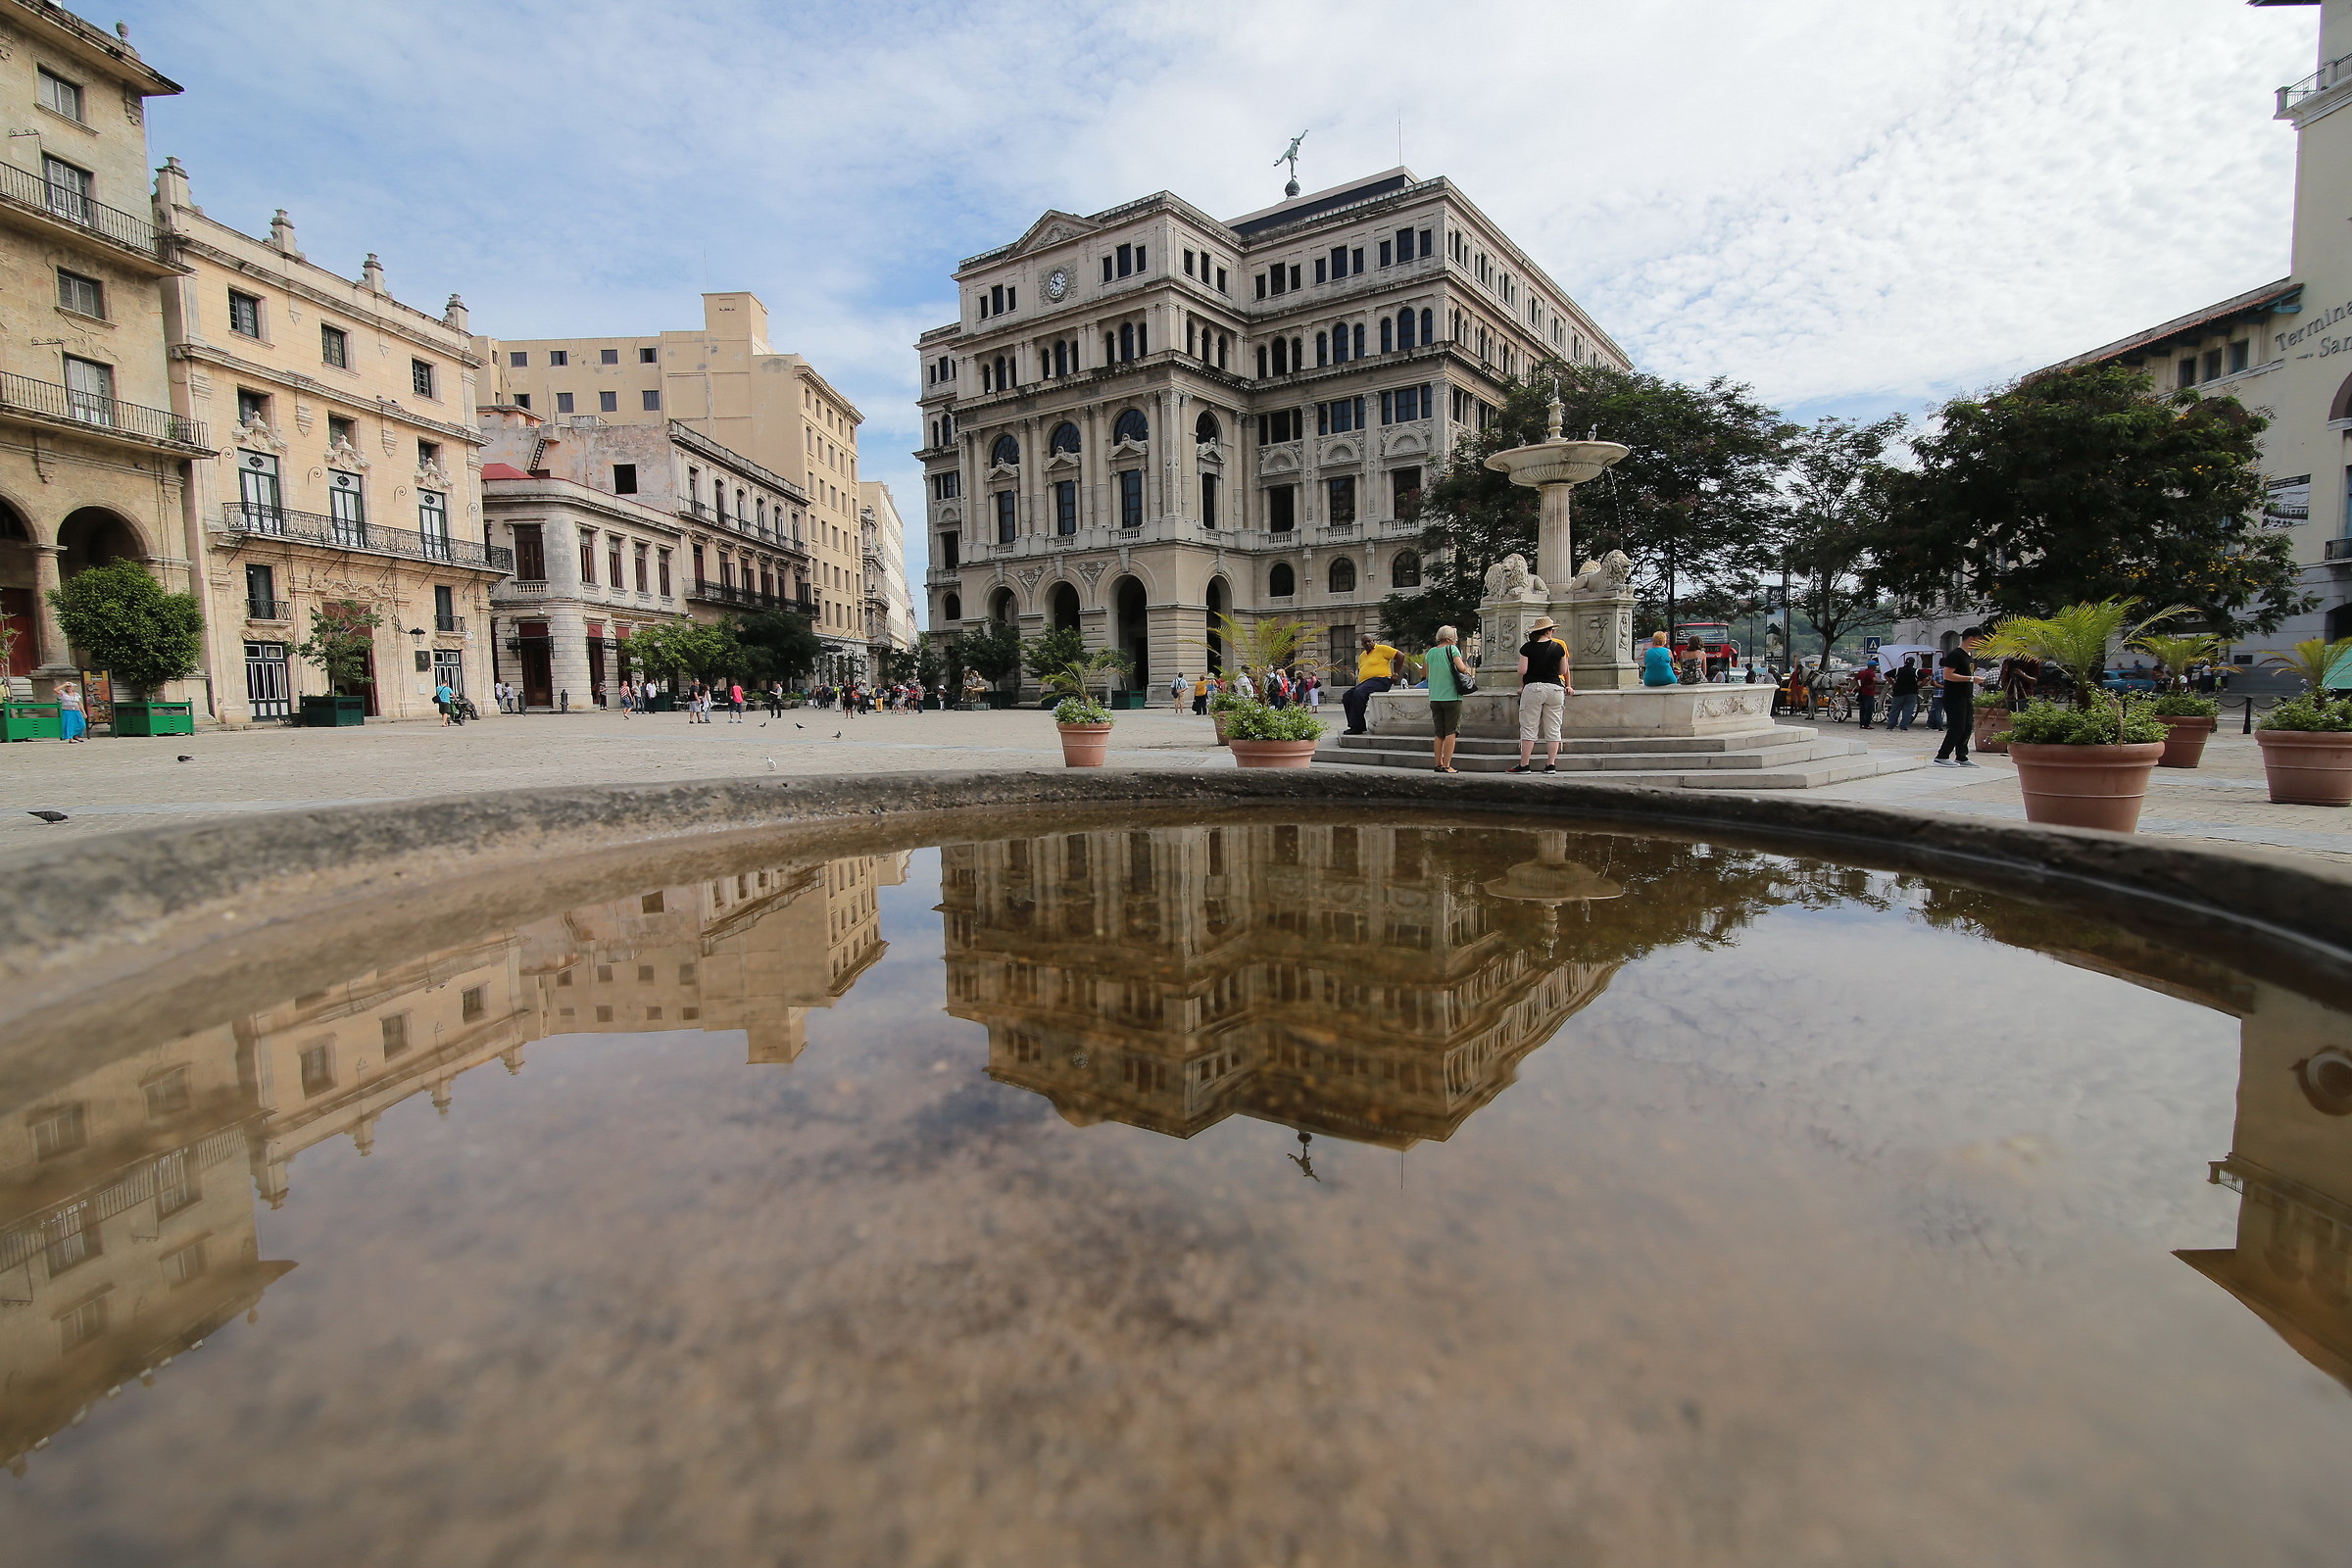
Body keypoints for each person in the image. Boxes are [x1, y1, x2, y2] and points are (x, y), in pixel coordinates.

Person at [1509, 616, 1572, 773]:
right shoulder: (1558, 647)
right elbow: (1562, 670)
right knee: (1554, 728)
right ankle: (1551, 765)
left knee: (1529, 727)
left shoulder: (1527, 648)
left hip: (1534, 688)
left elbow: (1522, 670)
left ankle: (1524, 765)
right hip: (1555, 689)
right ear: (1549, 631)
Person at [1424, 624, 1475, 773]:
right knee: (1451, 731)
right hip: (1452, 696)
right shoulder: (1452, 649)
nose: (1456, 639)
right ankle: (1447, 765)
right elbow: (1461, 668)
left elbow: (1426, 674)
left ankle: (1438, 764)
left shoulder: (1431, 652)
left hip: (1435, 697)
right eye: (1454, 636)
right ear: (1449, 638)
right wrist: (1465, 668)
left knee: (1439, 732)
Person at [1935, 627, 1986, 766]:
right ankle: (1942, 756)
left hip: (1966, 695)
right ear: (1971, 638)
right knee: (1957, 726)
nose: (1980, 642)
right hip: (1954, 696)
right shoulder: (1955, 655)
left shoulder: (1969, 656)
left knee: (1967, 726)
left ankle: (1961, 756)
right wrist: (1971, 679)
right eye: (1979, 639)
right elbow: (1948, 675)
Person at [1343, 633, 1407, 734]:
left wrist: (1396, 674)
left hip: (1381, 680)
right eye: (1365, 642)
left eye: (1370, 641)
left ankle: (1357, 727)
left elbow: (1400, 655)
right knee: (1347, 696)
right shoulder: (1362, 656)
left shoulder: (1382, 649)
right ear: (1362, 645)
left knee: (1359, 693)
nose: (1368, 644)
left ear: (1374, 641)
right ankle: (1354, 724)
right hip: (1366, 683)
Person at [1889, 657, 1920, 731]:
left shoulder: (1898, 670)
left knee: (1895, 710)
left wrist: (1892, 683)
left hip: (1898, 692)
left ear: (1905, 662)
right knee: (1908, 710)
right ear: (1913, 663)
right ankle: (1904, 726)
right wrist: (1919, 686)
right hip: (1911, 692)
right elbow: (1926, 678)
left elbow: (1886, 675)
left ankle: (1891, 725)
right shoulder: (1915, 671)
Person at [56, 679, 86, 743]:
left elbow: (79, 703)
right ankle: (70, 738)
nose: (68, 688)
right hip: (67, 711)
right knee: (69, 724)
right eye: (67, 687)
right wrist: (64, 684)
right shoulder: (63, 693)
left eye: (70, 687)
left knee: (81, 724)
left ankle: (76, 735)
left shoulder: (76, 694)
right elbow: (55, 690)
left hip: (76, 711)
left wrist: (83, 712)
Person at [1854, 661, 1880, 729]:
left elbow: (1855, 678)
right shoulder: (1871, 673)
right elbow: (1875, 680)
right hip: (1869, 692)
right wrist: (1872, 685)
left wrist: (1858, 686)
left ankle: (1861, 723)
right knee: (1868, 709)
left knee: (1862, 709)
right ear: (1873, 667)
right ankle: (1866, 724)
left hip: (1862, 691)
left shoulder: (1862, 672)